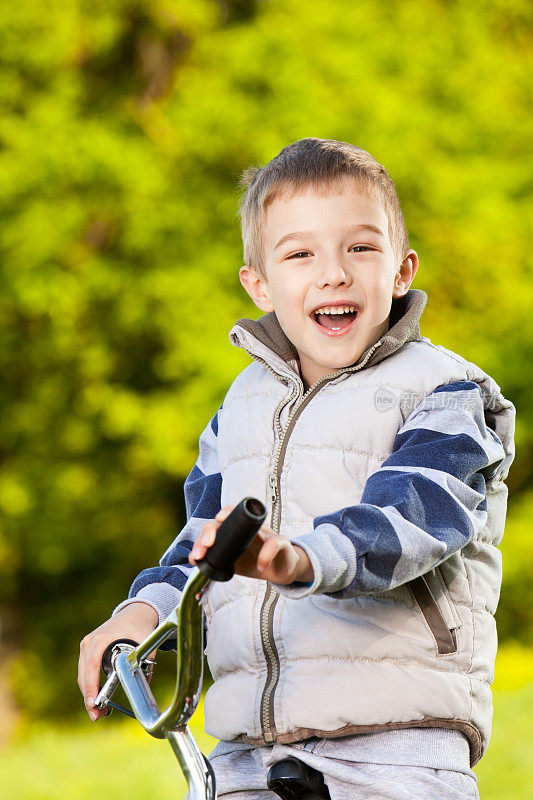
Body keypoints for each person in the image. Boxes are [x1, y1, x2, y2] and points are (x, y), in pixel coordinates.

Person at [78, 138, 515, 799]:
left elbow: (413, 515)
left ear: (401, 270)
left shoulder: (444, 391)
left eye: (360, 248)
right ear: (260, 284)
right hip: (248, 754)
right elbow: (202, 546)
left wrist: (298, 560)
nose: (333, 273)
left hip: (393, 747)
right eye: (299, 253)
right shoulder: (240, 409)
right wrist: (140, 614)